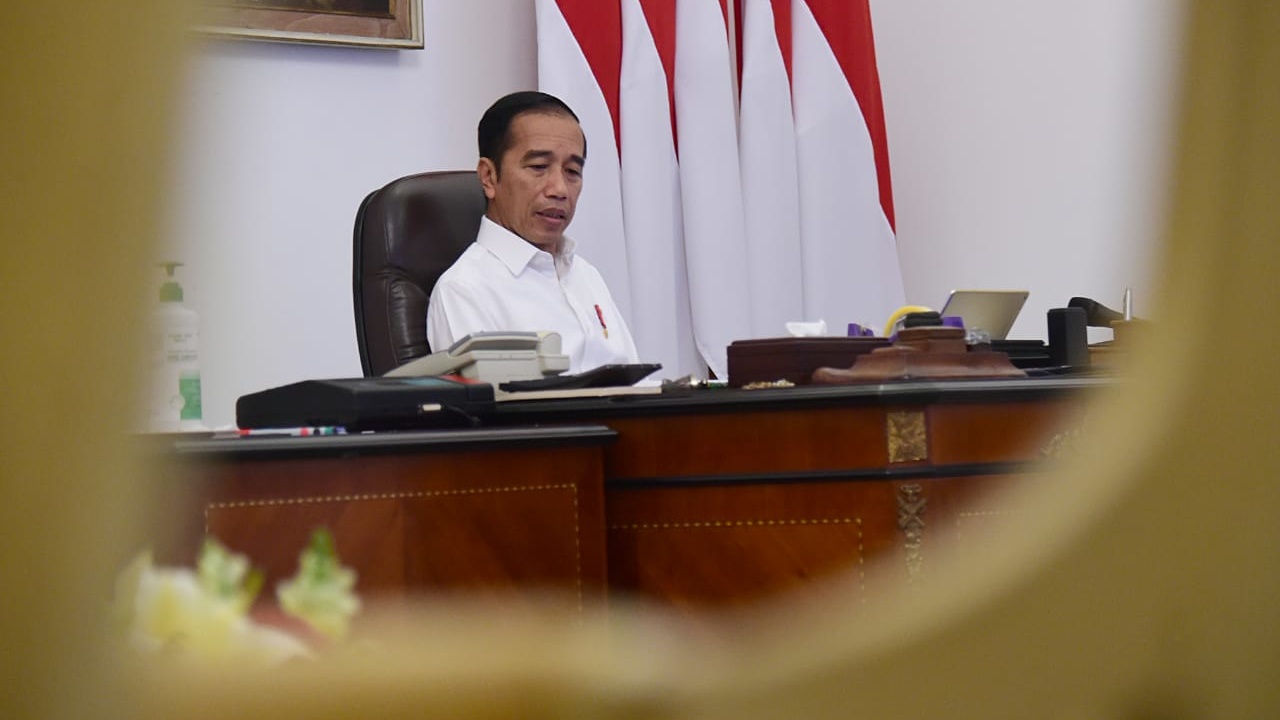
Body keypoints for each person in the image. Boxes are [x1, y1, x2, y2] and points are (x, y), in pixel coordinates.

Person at [426, 91, 639, 373]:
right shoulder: (465, 290)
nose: (559, 190)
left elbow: (635, 383)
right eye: (539, 167)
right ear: (489, 177)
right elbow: (494, 401)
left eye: (572, 171)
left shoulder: (586, 276)